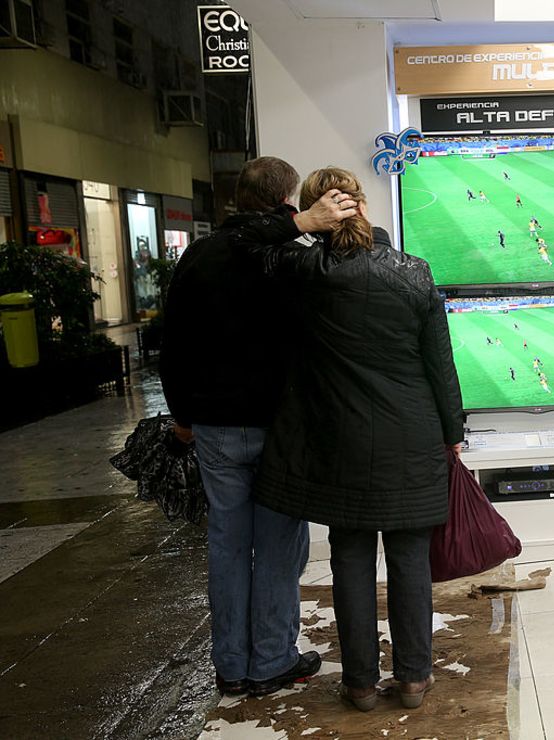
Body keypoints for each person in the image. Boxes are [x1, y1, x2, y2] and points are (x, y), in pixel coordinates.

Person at [241, 167, 465, 711]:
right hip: (411, 434)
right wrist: (453, 432)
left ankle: (360, 683)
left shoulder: (299, 269)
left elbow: (243, 255)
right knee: (411, 559)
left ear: (319, 213)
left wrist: (299, 226)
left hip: (337, 438)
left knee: (351, 558)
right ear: (363, 207)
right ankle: (413, 678)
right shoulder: (413, 272)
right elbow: (440, 362)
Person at [160, 156, 354, 697]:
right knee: (275, 546)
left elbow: (172, 345)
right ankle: (269, 659)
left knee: (227, 545)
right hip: (278, 427)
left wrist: (182, 418)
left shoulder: (201, 254)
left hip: (216, 427)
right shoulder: (290, 256)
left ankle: (232, 663)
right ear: (287, 199)